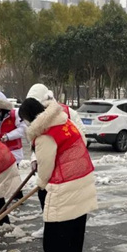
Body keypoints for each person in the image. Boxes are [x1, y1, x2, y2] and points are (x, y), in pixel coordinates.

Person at [18, 95, 97, 252]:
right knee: (76, 216)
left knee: (54, 218)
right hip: (82, 172)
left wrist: (41, 183)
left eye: (24, 120)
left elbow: (45, 166)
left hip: (65, 179)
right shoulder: (64, 120)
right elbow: (82, 140)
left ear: (30, 117)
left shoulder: (45, 134)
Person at [24, 83, 86, 237]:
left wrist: (64, 158)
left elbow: (81, 137)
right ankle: (49, 225)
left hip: (67, 167)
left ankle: (60, 232)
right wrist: (35, 159)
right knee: (44, 195)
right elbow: (37, 144)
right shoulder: (37, 116)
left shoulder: (67, 113)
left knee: (65, 202)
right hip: (50, 164)